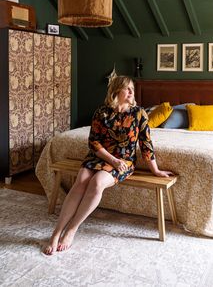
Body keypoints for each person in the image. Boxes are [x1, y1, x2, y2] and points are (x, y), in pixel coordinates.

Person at [43, 76, 173, 255]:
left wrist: (155, 170)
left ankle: (72, 230)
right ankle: (56, 233)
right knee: (81, 181)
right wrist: (111, 159)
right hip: (99, 156)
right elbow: (94, 142)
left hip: (124, 160)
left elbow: (146, 144)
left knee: (97, 183)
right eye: (127, 88)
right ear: (116, 90)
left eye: (132, 89)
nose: (131, 92)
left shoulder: (139, 113)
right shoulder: (101, 112)